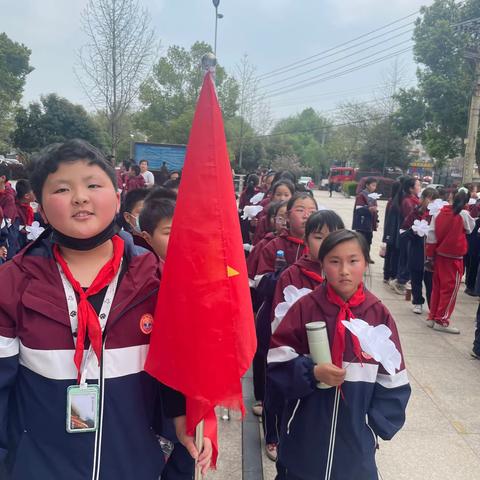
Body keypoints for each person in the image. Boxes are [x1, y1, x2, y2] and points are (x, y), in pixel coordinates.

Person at [0, 139, 212, 479]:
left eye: (93, 184)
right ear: (39, 206)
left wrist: (186, 418)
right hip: (41, 466)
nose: (80, 197)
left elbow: (178, 372)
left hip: (133, 464)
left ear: (117, 198)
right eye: (63, 188)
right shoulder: (12, 284)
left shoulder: (158, 281)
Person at [268, 229, 410, 480]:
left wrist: (371, 425)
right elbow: (276, 362)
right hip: (305, 433)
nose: (344, 270)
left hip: (355, 443)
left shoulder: (378, 314)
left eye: (353, 261)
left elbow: (394, 378)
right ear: (322, 264)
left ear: (366, 262)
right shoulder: (306, 307)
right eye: (334, 261)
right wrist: (310, 372)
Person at [262, 210, 345, 462]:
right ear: (306, 240)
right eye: (319, 237)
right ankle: (274, 436)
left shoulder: (343, 278)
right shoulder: (292, 274)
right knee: (283, 396)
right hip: (297, 356)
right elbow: (279, 322)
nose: (326, 243)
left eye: (333, 236)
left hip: (331, 362)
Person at [138, 190, 197, 480]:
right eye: (168, 232)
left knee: (185, 460)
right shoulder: (145, 282)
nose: (178, 239)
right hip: (156, 388)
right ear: (147, 238)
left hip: (188, 387)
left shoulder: (196, 275)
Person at [426, 189, 475, 334]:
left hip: (439, 255)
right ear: (465, 201)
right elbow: (470, 229)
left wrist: (429, 256)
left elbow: (431, 237)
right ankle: (441, 319)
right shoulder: (464, 214)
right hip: (454, 258)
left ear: (450, 197)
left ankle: (432, 316)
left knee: (437, 287)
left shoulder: (438, 213)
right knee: (450, 290)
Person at [403, 187, 439, 314]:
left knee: (430, 282)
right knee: (416, 279)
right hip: (416, 251)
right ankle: (417, 302)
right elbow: (403, 232)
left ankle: (432, 306)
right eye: (429, 198)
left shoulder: (437, 215)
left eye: (434, 199)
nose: (431, 202)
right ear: (422, 199)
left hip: (431, 254)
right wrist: (413, 231)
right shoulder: (414, 213)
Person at [390, 177, 421, 295]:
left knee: (405, 259)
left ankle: (400, 280)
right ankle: (400, 281)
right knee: (407, 260)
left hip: (410, 234)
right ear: (411, 188)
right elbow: (411, 219)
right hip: (408, 234)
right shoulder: (408, 202)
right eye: (418, 185)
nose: (420, 187)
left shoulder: (414, 200)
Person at [252, 180, 295, 245]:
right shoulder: (264, 219)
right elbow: (257, 242)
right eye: (278, 195)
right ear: (272, 196)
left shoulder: (295, 218)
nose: (282, 198)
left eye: (286, 195)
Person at [352, 177, 378, 258]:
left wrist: (376, 221)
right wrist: (369, 209)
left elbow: (375, 210)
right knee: (361, 241)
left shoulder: (373, 196)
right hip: (362, 223)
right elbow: (358, 209)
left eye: (375, 186)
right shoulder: (361, 195)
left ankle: (366, 257)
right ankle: (359, 257)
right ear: (367, 185)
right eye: (373, 185)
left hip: (369, 223)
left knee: (368, 240)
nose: (374, 187)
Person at [382, 181, 401, 284]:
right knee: (393, 254)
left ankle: (386, 274)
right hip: (393, 233)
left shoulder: (391, 201)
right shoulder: (395, 203)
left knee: (389, 253)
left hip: (389, 232)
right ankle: (390, 274)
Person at [14, 179, 37, 251]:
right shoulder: (16, 210)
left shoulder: (28, 207)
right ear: (27, 196)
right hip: (20, 242)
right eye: (34, 192)